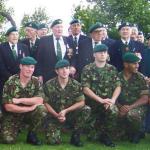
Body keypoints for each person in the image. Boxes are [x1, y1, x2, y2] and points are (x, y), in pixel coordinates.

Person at [43, 59, 90, 146]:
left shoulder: (76, 85)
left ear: (69, 70)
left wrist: (66, 111)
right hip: (54, 116)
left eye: (67, 68)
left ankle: (76, 135)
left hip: (70, 115)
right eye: (61, 68)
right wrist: (57, 115)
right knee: (53, 142)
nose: (64, 71)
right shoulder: (49, 85)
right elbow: (45, 103)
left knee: (86, 109)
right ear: (56, 71)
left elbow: (81, 102)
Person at [81, 44, 121, 147]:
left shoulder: (112, 69)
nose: (103, 54)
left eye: (105, 52)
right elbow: (85, 88)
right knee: (91, 136)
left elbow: (118, 86)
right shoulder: (88, 68)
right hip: (92, 104)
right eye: (100, 52)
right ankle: (94, 129)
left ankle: (106, 135)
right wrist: (100, 100)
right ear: (94, 54)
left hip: (107, 103)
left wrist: (112, 100)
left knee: (113, 110)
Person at [0, 56, 46, 145]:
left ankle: (32, 134)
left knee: (42, 109)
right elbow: (8, 107)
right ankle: (12, 129)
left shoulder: (36, 81)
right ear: (20, 66)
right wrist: (29, 108)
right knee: (8, 140)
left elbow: (40, 100)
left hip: (29, 115)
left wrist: (19, 100)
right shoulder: (11, 82)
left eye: (32, 67)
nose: (30, 69)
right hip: (13, 115)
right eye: (27, 66)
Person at [117, 52, 149, 143]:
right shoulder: (117, 77)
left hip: (136, 106)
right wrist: (120, 107)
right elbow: (113, 96)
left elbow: (145, 99)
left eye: (138, 63)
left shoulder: (141, 78)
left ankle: (137, 132)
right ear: (126, 64)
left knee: (132, 114)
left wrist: (129, 108)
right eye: (134, 63)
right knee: (112, 111)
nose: (137, 66)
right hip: (120, 106)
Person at [36, 19, 74, 83]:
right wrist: (39, 74)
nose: (59, 29)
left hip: (65, 76)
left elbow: (73, 56)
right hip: (49, 76)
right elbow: (39, 59)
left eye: (61, 27)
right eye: (57, 27)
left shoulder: (69, 40)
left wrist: (73, 66)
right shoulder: (44, 40)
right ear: (52, 29)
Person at [0, 26, 29, 109]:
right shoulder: (1, 47)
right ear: (8, 36)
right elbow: (1, 66)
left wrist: (21, 77)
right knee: (7, 103)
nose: (15, 36)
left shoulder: (24, 47)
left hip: (22, 79)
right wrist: (11, 77)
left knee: (21, 100)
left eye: (17, 34)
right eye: (12, 34)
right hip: (5, 80)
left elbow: (28, 63)